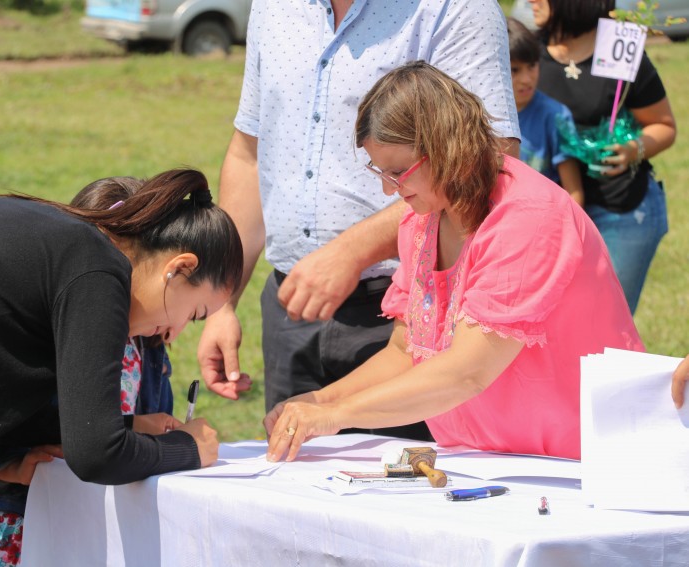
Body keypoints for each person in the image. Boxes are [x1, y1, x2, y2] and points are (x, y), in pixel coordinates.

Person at [0, 168, 243, 564]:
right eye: (195, 313)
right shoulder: (98, 273)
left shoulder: (71, 246)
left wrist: (128, 425)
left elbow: (12, 399)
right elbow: (97, 456)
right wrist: (189, 448)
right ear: (179, 268)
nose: (176, 330)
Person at [263, 61, 643, 463]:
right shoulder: (423, 219)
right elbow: (406, 351)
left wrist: (335, 415)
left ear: (447, 149)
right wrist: (319, 401)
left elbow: (468, 372)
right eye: (381, 172)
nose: (389, 190)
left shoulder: (528, 216)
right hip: (490, 461)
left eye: (398, 172)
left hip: (581, 461)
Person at [197, 0, 521, 443]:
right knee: (293, 479)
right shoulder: (273, 7)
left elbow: (486, 162)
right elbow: (249, 153)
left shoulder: (456, 8)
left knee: (407, 480)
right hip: (291, 305)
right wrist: (221, 300)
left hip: (406, 310)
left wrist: (351, 252)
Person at [0, 177, 177, 567]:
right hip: (38, 523)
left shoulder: (149, 343)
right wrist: (12, 468)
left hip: (117, 526)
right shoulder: (50, 331)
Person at [529, 0, 677, 314]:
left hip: (620, 211)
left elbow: (664, 126)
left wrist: (632, 150)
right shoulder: (526, 52)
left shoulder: (620, 46)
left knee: (606, 322)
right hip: (547, 219)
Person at [507, 16, 584, 205]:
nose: (526, 79)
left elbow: (574, 193)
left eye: (532, 66)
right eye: (514, 70)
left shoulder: (556, 116)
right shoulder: (479, 116)